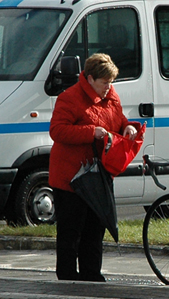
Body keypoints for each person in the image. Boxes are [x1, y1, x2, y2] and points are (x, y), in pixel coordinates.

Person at [49, 53, 139, 281]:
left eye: (111, 83)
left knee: (96, 227)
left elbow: (118, 118)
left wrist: (128, 127)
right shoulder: (69, 98)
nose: (108, 88)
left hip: (98, 175)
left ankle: (92, 275)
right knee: (71, 230)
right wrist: (91, 132)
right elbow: (57, 131)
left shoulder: (111, 95)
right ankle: (68, 277)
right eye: (104, 83)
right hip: (71, 178)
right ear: (89, 79)